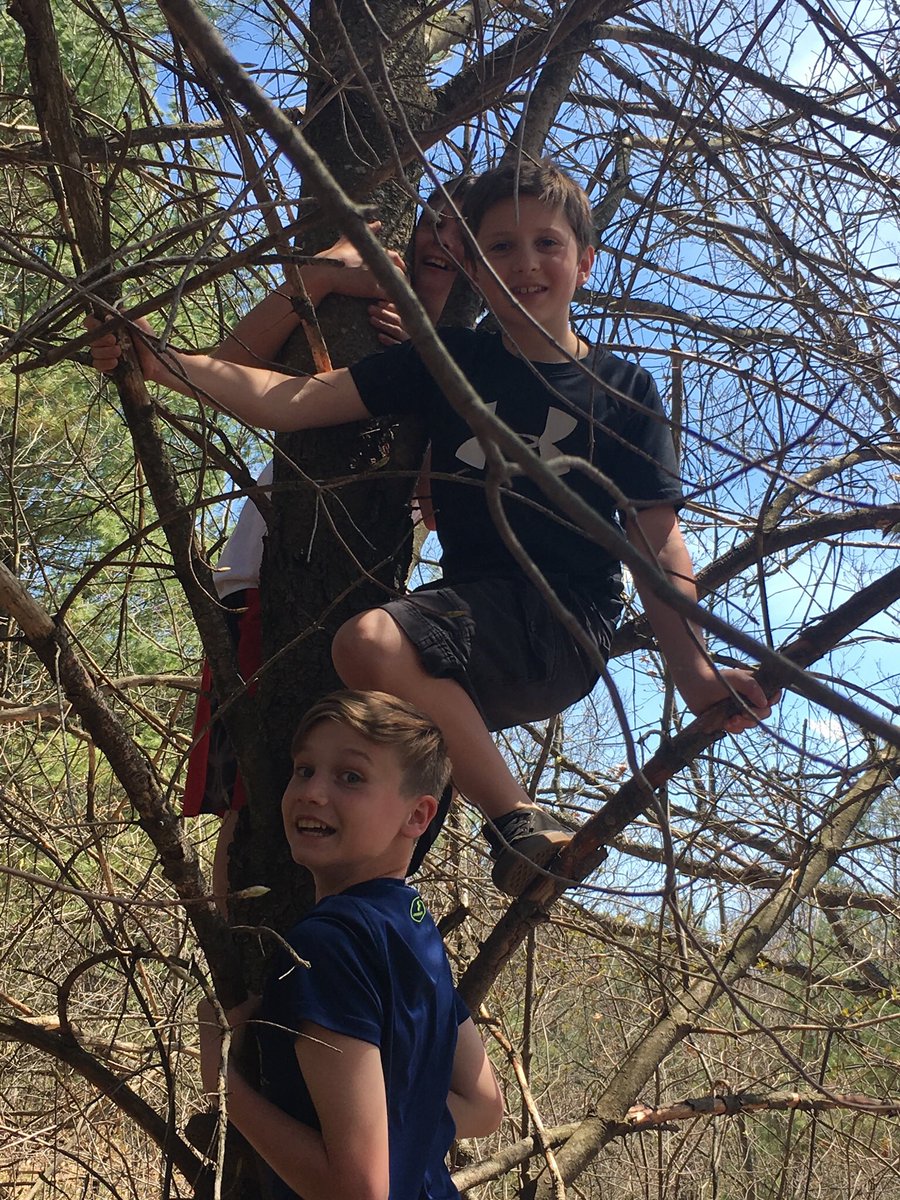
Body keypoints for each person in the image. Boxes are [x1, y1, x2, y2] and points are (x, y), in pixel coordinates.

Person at [88, 159, 777, 897]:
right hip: (470, 613)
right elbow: (292, 400)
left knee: (369, 642)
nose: (526, 263)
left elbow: (657, 541)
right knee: (360, 765)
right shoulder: (447, 360)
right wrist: (157, 360)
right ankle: (373, 936)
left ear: (586, 261)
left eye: (547, 243)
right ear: (475, 269)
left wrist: (695, 673)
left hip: (563, 623)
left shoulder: (624, 390)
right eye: (501, 248)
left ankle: (518, 825)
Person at [182, 184, 471, 897]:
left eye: (466, 240)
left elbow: (439, 507)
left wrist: (434, 375)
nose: (442, 243)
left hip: (369, 603)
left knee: (350, 784)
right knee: (257, 786)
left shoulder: (470, 361)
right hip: (259, 579)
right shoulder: (348, 309)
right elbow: (229, 361)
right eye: (434, 223)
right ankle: (235, 979)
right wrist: (321, 279)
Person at [197, 689, 503, 1200]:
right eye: (304, 769)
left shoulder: (326, 945)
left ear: (418, 817)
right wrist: (394, 1127)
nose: (312, 792)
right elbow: (483, 1105)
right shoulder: (413, 927)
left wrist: (223, 1083)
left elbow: (360, 1193)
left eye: (351, 777)